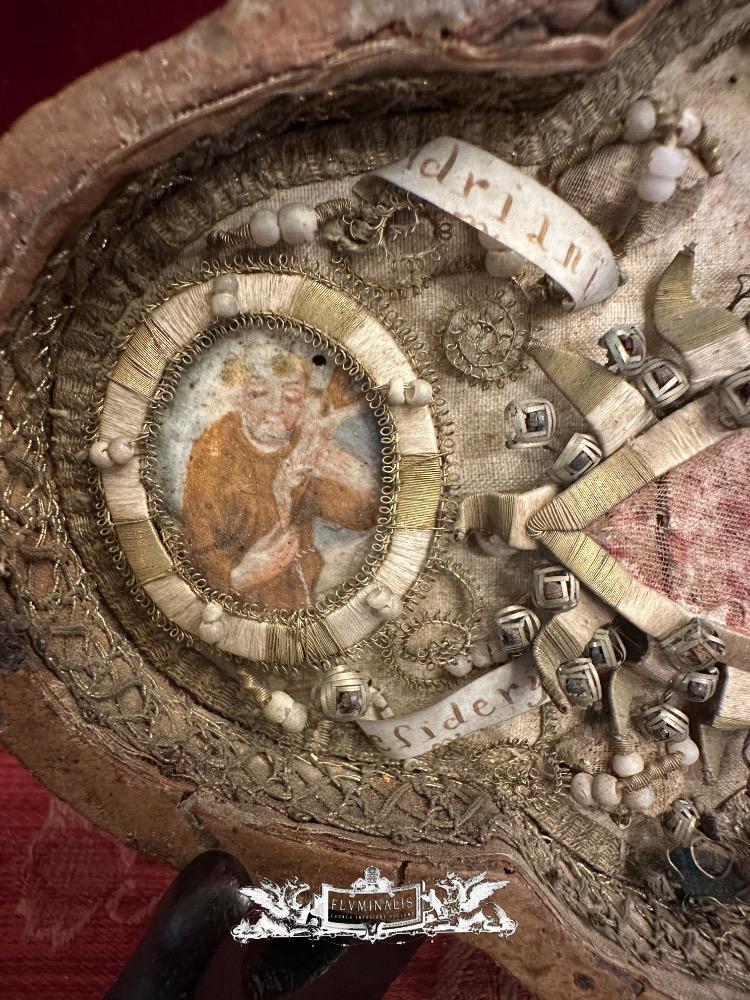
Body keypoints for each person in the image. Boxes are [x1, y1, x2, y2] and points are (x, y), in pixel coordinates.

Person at [181, 337, 379, 610]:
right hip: (229, 607)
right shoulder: (214, 449)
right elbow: (196, 550)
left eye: (291, 398)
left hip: (296, 596)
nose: (275, 408)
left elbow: (361, 515)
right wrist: (240, 576)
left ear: (304, 401)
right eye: (259, 393)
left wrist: (354, 476)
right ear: (238, 395)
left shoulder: (303, 444)